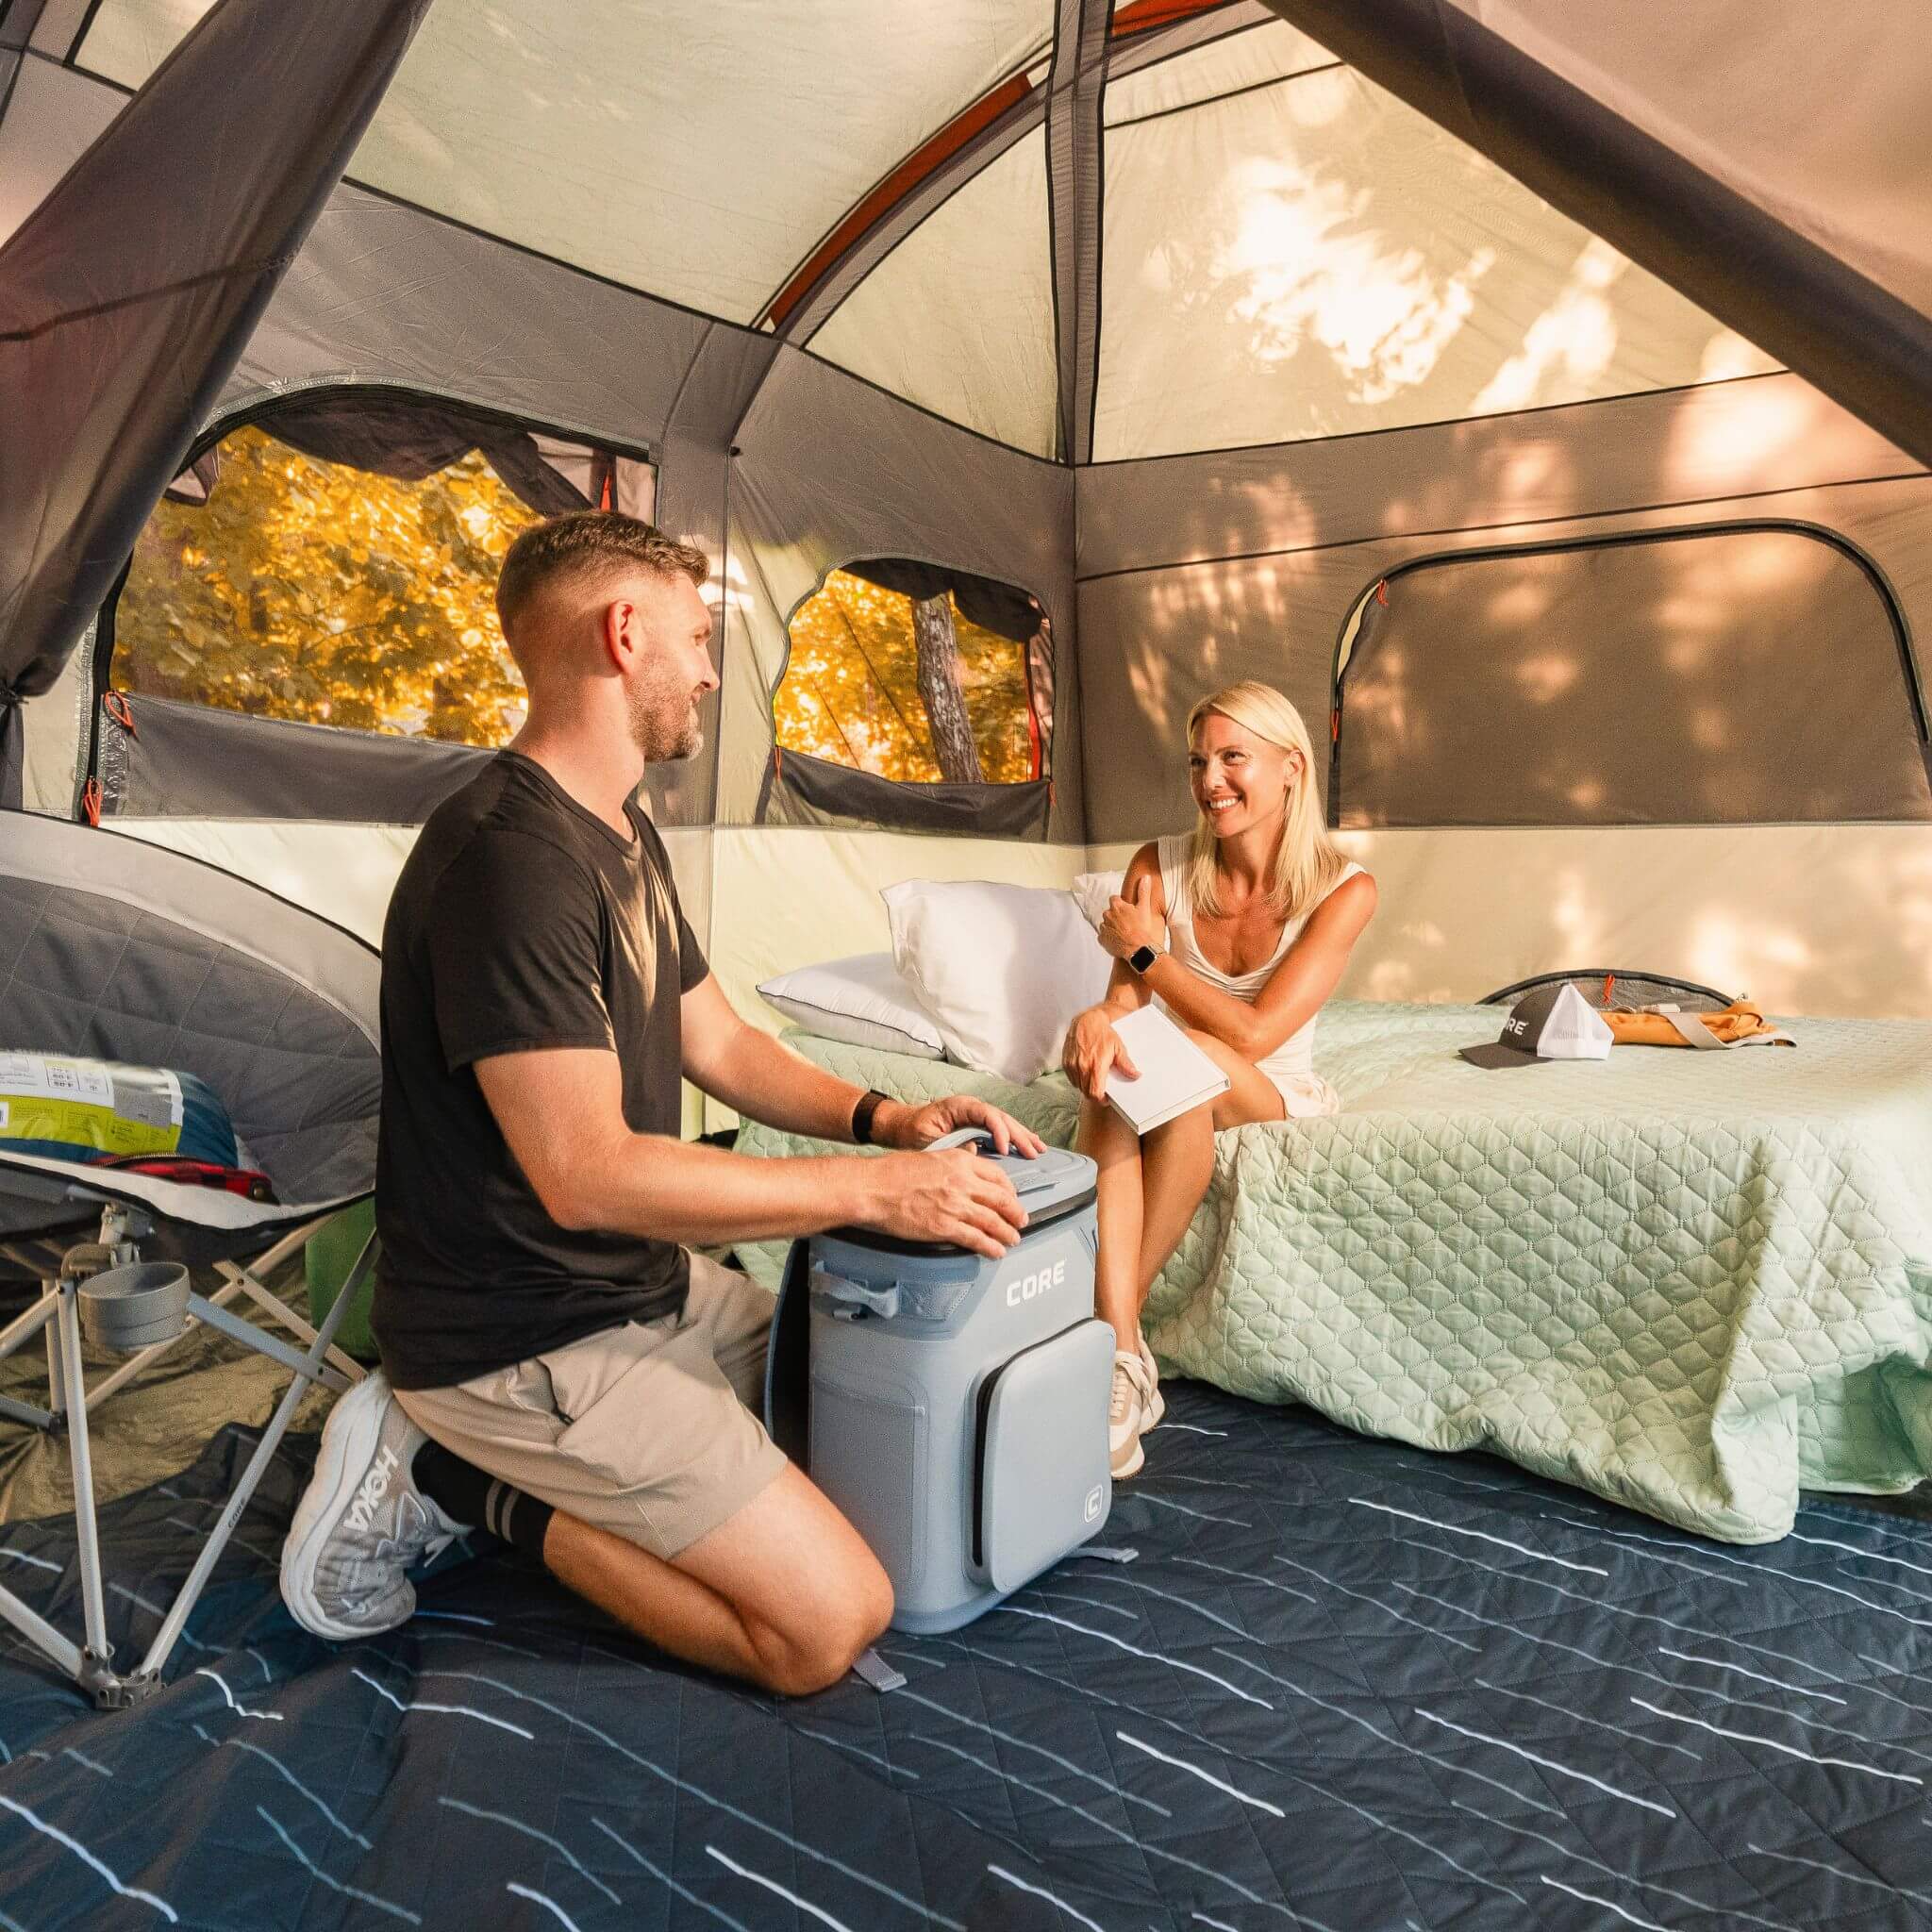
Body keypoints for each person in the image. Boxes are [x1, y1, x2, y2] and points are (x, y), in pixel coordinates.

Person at [279, 511, 1042, 1697]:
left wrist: (884, 1121)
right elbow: (585, 1172)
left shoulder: (620, 829)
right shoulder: (507, 859)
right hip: (520, 1336)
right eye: (694, 636)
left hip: (640, 1284)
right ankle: (445, 1472)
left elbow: (719, 1038)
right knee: (829, 1621)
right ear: (623, 634)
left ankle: (500, 1457)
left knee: (877, 1431)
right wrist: (876, 1190)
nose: (705, 668)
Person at [1060, 681, 1376, 1479]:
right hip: (1179, 1082)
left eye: (1234, 758)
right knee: (1117, 1072)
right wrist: (1099, 1021)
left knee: (1184, 1049)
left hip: (1267, 1088)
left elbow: (1258, 1031)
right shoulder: (1157, 867)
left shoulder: (1345, 889)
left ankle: (1095, 1329)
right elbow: (1126, 1007)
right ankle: (1123, 1357)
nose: (1210, 781)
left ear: (1291, 768)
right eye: (1200, 761)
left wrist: (1146, 955)